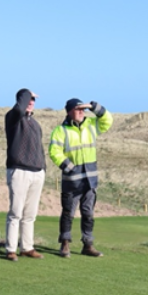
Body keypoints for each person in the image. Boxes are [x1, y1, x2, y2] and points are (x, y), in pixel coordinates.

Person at [47, 98, 113, 258]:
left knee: (88, 214)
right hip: (72, 181)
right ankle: (65, 244)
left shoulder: (91, 125)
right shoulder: (60, 131)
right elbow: (54, 151)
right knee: (68, 213)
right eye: (78, 109)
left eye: (83, 109)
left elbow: (108, 120)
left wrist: (93, 107)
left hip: (90, 180)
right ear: (69, 111)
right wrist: (70, 168)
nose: (81, 112)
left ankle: (88, 244)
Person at [3, 88, 45, 261]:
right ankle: (10, 249)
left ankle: (27, 247)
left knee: (30, 214)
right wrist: (27, 92)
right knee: (15, 212)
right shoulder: (13, 117)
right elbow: (19, 109)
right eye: (28, 99)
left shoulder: (35, 124)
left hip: (36, 172)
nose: (31, 102)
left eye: (33, 100)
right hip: (19, 171)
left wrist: (43, 168)